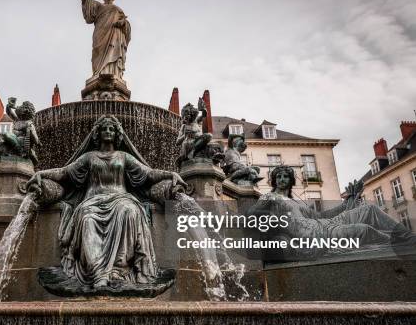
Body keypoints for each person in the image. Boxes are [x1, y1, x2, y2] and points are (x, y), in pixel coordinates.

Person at [26, 115, 186, 288]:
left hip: (121, 199)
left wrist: (171, 174)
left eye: (111, 129)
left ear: (117, 134)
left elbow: (149, 173)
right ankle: (97, 273)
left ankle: (118, 269)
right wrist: (42, 174)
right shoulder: (89, 157)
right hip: (92, 201)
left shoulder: (124, 157)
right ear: (98, 134)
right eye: (104, 129)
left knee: (130, 212)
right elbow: (64, 172)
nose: (108, 132)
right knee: (86, 219)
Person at [249, 165, 415, 257]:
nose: (282, 179)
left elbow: (321, 215)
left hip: (326, 223)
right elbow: (251, 215)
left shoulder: (295, 201)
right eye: (278, 177)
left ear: (291, 179)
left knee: (370, 209)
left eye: (285, 176)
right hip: (321, 236)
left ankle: (409, 238)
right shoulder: (269, 198)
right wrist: (272, 218)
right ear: (273, 180)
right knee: (364, 230)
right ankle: (402, 244)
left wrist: (347, 201)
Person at [79, 0, 131, 79]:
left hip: (114, 37)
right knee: (97, 55)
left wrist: (123, 23)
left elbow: (127, 28)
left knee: (113, 55)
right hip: (100, 35)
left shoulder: (118, 10)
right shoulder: (98, 6)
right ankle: (97, 74)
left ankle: (113, 74)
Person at [176, 99, 214, 166]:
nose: (188, 117)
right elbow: (177, 142)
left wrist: (203, 109)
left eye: (189, 114)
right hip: (189, 144)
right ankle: (190, 153)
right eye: (186, 115)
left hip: (199, 141)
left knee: (209, 136)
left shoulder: (196, 121)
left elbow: (204, 115)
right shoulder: (184, 126)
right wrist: (185, 135)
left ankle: (194, 151)